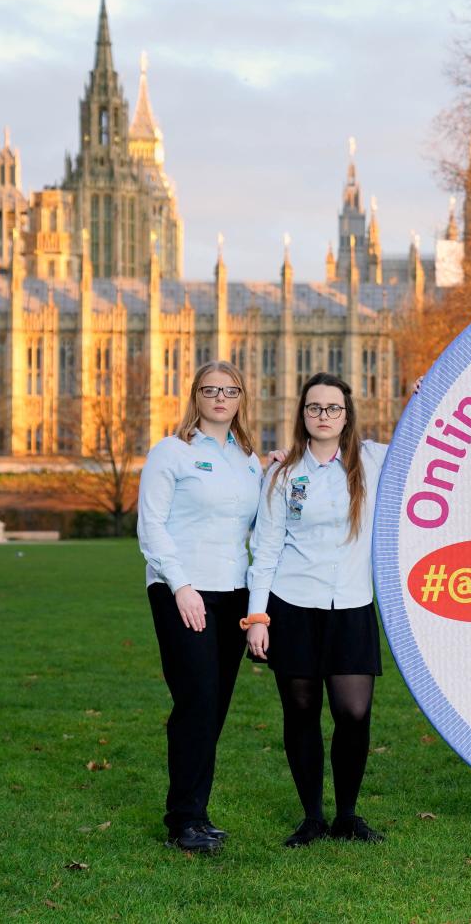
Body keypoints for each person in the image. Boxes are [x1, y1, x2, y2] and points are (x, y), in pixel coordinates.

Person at [244, 372, 398, 847]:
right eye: (314, 408)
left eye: (333, 408)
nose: (324, 416)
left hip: (352, 605)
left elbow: (426, 441)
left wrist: (429, 396)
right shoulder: (283, 474)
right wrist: (257, 618)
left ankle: (347, 816)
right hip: (293, 607)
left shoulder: (372, 461)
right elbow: (265, 550)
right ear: (302, 415)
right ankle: (312, 817)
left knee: (353, 712)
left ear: (347, 415)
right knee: (302, 711)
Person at [137, 360, 262, 852]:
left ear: (240, 399)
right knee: (196, 699)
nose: (219, 399)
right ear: (196, 395)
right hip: (181, 590)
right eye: (210, 390)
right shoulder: (172, 452)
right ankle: (182, 820)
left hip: (231, 590)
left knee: (216, 706)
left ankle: (198, 811)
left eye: (229, 391)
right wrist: (181, 585)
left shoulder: (248, 459)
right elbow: (152, 526)